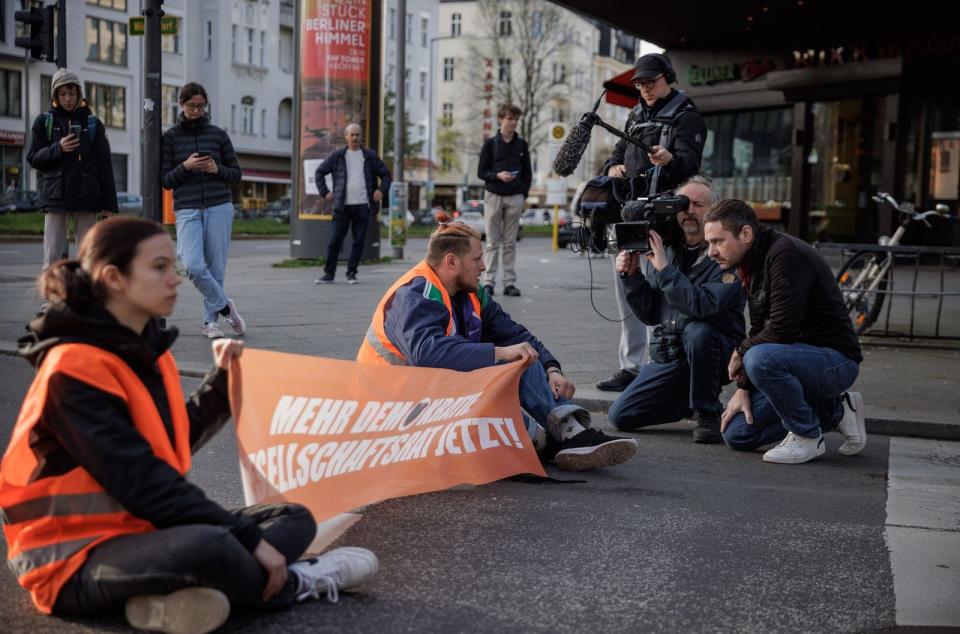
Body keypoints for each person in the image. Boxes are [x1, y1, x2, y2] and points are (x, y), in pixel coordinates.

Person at [0, 217, 377, 634]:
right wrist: (248, 541)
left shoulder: (147, 350)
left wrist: (221, 385)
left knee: (293, 517)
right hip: (67, 560)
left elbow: (171, 440)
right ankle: (296, 581)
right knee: (216, 544)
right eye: (159, 267)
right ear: (114, 277)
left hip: (139, 533)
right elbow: (144, 482)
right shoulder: (72, 368)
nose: (176, 279)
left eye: (173, 267)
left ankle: (162, 602)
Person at [356, 213, 637, 471]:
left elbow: (514, 334)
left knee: (522, 356)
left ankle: (569, 433)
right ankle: (544, 441)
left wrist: (552, 368)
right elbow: (427, 353)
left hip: (434, 395)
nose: (484, 266)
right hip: (394, 412)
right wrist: (500, 353)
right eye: (477, 259)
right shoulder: (414, 293)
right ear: (452, 261)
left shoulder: (470, 292)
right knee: (506, 371)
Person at [702, 200, 868, 464]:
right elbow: (759, 328)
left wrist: (742, 351)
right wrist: (743, 386)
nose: (710, 252)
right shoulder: (750, 262)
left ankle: (807, 437)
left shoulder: (785, 254)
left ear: (745, 234)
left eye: (717, 241)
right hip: (794, 361)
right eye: (709, 243)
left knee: (760, 359)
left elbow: (782, 329)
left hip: (835, 362)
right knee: (737, 435)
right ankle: (836, 410)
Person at [596, 53, 707, 393]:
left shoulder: (686, 116)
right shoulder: (636, 114)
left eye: (650, 81)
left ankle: (659, 365)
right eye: (640, 83)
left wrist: (670, 159)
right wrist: (613, 167)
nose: (644, 88)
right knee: (628, 290)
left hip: (665, 222)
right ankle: (630, 368)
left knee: (660, 297)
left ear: (668, 78)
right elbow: (618, 153)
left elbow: (690, 165)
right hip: (630, 215)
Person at [607, 177, 746, 443]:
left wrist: (664, 270)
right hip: (669, 355)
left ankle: (707, 412)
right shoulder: (668, 250)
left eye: (697, 204)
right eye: (682, 204)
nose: (688, 210)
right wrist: (632, 275)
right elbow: (650, 314)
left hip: (714, 353)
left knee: (698, 331)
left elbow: (702, 306)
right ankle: (691, 400)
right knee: (620, 416)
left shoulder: (727, 254)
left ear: (714, 211)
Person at [27, 67, 118, 315]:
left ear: (79, 94)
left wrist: (109, 204)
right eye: (63, 93)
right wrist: (58, 148)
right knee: (52, 256)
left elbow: (104, 165)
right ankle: (50, 304)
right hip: (56, 198)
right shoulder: (43, 122)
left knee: (88, 255)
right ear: (55, 94)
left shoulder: (92, 123)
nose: (68, 98)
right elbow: (33, 158)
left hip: (87, 198)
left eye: (72, 93)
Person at [161, 82, 246, 340]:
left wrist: (216, 169)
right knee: (193, 266)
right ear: (181, 105)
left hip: (219, 206)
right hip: (187, 209)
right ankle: (225, 307)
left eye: (200, 106)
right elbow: (165, 180)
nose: (196, 111)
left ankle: (210, 322)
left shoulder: (218, 135)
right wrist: (186, 166)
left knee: (215, 268)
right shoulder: (171, 137)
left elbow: (237, 175)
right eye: (191, 106)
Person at [314, 123, 392, 284]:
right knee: (334, 240)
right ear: (346, 136)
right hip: (341, 206)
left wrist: (381, 190)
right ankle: (328, 273)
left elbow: (386, 174)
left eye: (357, 135)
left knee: (358, 241)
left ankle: (352, 273)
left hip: (363, 206)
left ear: (360, 136)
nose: (355, 137)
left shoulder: (370, 156)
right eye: (352, 135)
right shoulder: (337, 156)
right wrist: (325, 192)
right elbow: (319, 172)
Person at [477, 104, 532, 298]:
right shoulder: (490, 144)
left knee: (510, 243)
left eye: (516, 119)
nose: (513, 123)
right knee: (492, 242)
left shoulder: (522, 145)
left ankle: (509, 283)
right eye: (510, 118)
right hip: (493, 195)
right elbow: (481, 172)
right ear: (501, 120)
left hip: (514, 196)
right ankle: (488, 282)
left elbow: (527, 172)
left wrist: (523, 194)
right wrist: (497, 175)